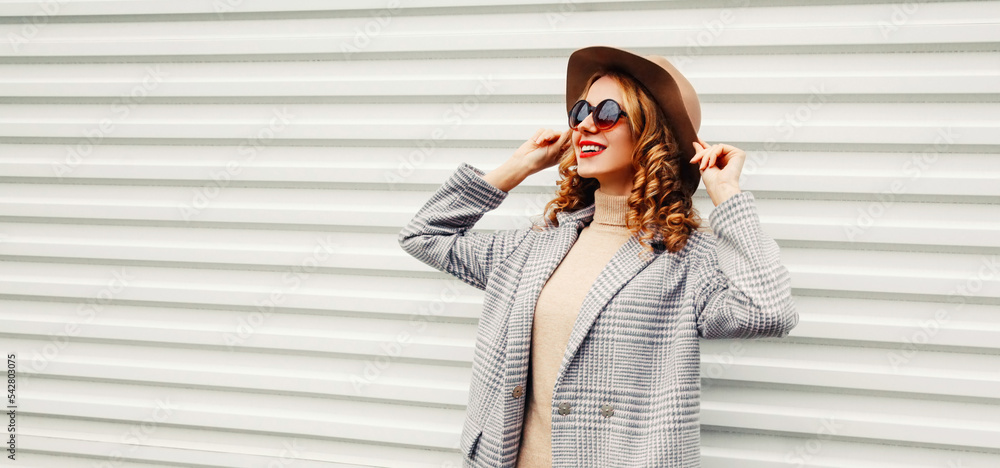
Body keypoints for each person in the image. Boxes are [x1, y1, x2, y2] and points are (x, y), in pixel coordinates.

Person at [398, 45, 798, 468]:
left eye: (607, 112)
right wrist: (518, 166)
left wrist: (728, 196)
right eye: (580, 113)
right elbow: (424, 235)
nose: (587, 124)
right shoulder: (537, 243)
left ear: (650, 132)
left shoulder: (683, 256)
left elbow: (767, 311)